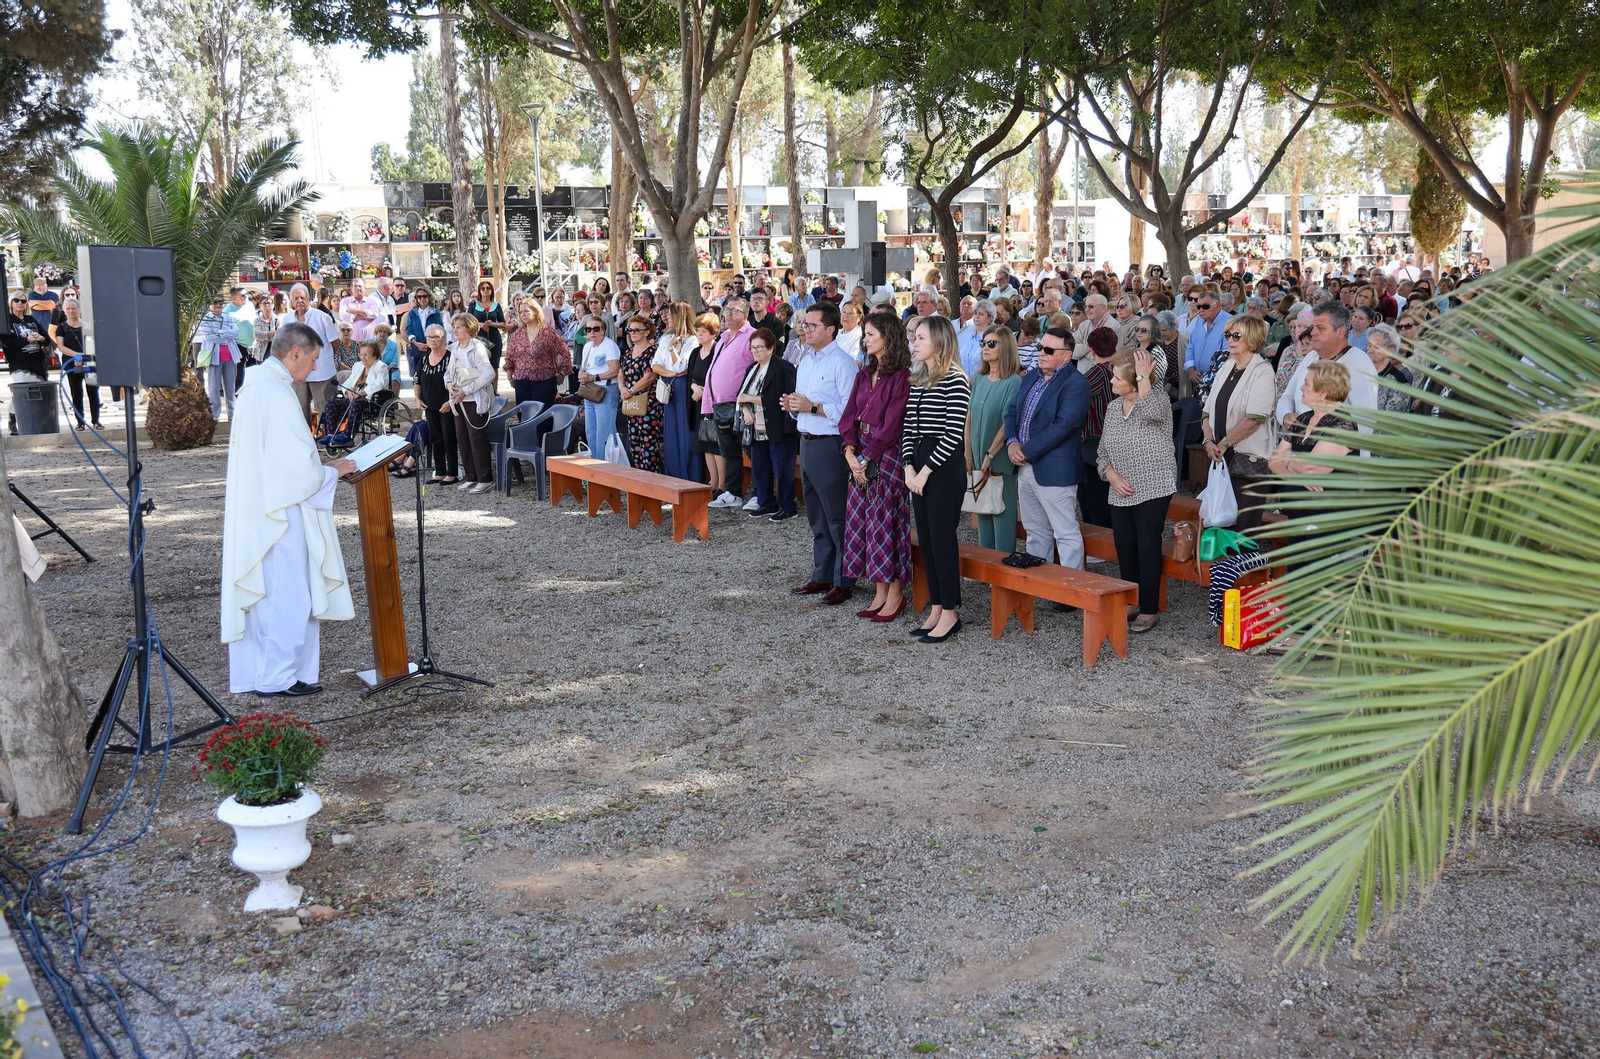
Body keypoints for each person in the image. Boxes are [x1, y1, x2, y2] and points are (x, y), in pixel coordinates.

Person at [220, 320, 356, 697]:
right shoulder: (275, 394)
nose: (314, 368)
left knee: (273, 596)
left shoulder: (259, 385)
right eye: (312, 359)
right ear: (294, 353)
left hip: (265, 503)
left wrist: (319, 468)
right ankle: (276, 676)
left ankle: (269, 672)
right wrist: (330, 471)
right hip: (279, 513)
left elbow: (282, 458)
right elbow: (295, 469)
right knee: (287, 594)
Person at [838, 310, 913, 618]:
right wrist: (850, 451)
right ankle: (879, 591)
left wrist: (867, 457)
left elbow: (893, 424)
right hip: (860, 455)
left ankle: (895, 593)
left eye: (871, 334)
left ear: (888, 338)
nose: (865, 339)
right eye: (865, 334)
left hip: (887, 456)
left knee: (886, 525)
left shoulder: (901, 378)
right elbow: (848, 417)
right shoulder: (861, 375)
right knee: (864, 525)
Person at [901, 316, 970, 643]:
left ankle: (951, 612)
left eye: (921, 338)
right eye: (914, 337)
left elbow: (952, 434)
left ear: (939, 341)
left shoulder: (955, 380)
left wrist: (925, 471)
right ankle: (938, 605)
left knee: (942, 541)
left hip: (942, 469)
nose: (914, 341)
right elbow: (908, 429)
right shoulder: (920, 379)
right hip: (918, 466)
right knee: (926, 541)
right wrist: (908, 468)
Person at [786, 301, 859, 605]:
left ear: (830, 330)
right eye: (805, 324)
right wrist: (793, 406)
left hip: (831, 445)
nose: (806, 329)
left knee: (836, 516)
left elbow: (850, 411)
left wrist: (812, 407)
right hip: (807, 441)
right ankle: (823, 574)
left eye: (812, 325)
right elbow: (804, 405)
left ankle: (844, 579)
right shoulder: (806, 360)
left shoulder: (842, 363)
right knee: (816, 514)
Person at [1098, 349, 1175, 632]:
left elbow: (1153, 412)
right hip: (1120, 488)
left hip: (1153, 485)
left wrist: (1144, 376)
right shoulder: (1113, 408)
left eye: (1117, 377)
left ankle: (1149, 608)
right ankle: (1131, 599)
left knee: (1146, 545)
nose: (1112, 382)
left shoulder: (1158, 401)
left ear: (1135, 379)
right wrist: (1111, 474)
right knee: (1125, 546)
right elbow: (1102, 452)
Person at [1005, 326, 1091, 572]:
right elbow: (1013, 411)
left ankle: (1071, 589)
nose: (1041, 353)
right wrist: (1011, 442)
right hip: (1024, 465)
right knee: (1035, 529)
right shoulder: (1032, 375)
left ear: (1067, 355)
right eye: (1040, 347)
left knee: (1064, 532)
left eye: (1049, 349)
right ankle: (1041, 583)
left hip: (1054, 468)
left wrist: (1025, 450)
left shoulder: (1076, 384)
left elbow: (1063, 426)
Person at [1267, 359, 1357, 557]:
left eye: (1307, 383)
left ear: (1324, 391)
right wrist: (1295, 475)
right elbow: (1273, 461)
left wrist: (1288, 459)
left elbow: (1311, 468)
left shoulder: (1343, 425)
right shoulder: (1304, 419)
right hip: (1296, 512)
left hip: (1325, 518)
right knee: (1295, 576)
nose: (1301, 387)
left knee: (1318, 580)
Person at [1201, 314, 1277, 534]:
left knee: (1243, 526)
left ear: (1252, 338)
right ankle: (1221, 568)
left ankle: (1244, 567)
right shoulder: (1227, 366)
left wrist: (1224, 443)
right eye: (1228, 334)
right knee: (1219, 521)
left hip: (1246, 458)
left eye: (1236, 335)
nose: (1230, 340)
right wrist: (1208, 440)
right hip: (1219, 454)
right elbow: (1207, 409)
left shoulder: (1262, 371)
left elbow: (1254, 418)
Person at [1276, 301, 1377, 432]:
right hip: (1300, 447)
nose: (1312, 333)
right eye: (1313, 327)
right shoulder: (1311, 357)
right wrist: (1286, 416)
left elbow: (1365, 420)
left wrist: (1325, 442)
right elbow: (1287, 396)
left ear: (1340, 332)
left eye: (1320, 328)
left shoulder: (1359, 363)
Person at [965, 325, 1023, 553]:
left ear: (1006, 347)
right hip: (976, 456)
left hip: (999, 458)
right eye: (983, 343)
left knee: (1001, 511)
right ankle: (985, 564)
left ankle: (1002, 566)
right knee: (982, 510)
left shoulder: (1013, 382)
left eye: (992, 343)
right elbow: (968, 418)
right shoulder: (978, 379)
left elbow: (1006, 423)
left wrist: (990, 454)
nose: (985, 348)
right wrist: (968, 454)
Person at [734, 327, 800, 518]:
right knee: (760, 467)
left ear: (771, 348)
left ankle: (787, 507)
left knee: (782, 468)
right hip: (756, 428)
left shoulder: (783, 367)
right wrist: (746, 409)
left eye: (759, 348)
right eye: (752, 348)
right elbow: (741, 396)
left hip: (778, 426)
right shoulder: (752, 368)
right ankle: (766, 502)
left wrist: (751, 399)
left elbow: (783, 399)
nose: (755, 351)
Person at [705, 296, 756, 508]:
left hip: (742, 405)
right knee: (730, 452)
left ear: (745, 315)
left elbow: (756, 370)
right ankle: (733, 492)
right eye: (727, 309)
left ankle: (761, 494)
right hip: (720, 404)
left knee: (753, 451)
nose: (728, 313)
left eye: (734, 310)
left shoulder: (752, 336)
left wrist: (747, 403)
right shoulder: (724, 337)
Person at [447, 313, 497, 493]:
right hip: (458, 400)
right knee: (463, 439)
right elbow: (448, 373)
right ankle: (471, 476)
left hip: (474, 400)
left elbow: (489, 373)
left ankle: (485, 478)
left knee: (477, 439)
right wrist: (450, 384)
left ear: (468, 328)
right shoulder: (454, 348)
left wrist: (466, 390)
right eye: (454, 327)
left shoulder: (477, 348)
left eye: (459, 327)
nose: (455, 330)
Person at [651, 301, 699, 481]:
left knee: (685, 431)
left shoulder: (692, 340)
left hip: (683, 387)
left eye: (670, 314)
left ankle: (690, 476)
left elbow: (682, 365)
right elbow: (655, 364)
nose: (666, 317)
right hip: (668, 383)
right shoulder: (664, 338)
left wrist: (673, 349)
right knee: (671, 432)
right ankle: (673, 474)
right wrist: (671, 373)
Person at [1078, 327, 1119, 530]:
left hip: (1095, 439)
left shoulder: (1097, 372)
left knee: (1093, 493)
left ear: (1091, 349)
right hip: (1116, 439)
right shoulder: (1119, 369)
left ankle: (1099, 536)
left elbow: (1076, 399)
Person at [318, 340, 391, 442]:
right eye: (361, 354)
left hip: (370, 401)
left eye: (366, 355)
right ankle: (330, 435)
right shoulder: (358, 365)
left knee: (356, 404)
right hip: (353, 399)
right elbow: (348, 383)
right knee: (331, 404)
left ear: (374, 355)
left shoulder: (381, 367)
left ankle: (347, 435)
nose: (362, 357)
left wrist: (361, 393)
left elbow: (379, 384)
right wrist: (348, 391)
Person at [287, 284, 339, 427]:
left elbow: (335, 342)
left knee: (325, 409)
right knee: (299, 409)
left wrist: (323, 359)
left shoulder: (322, 317)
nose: (299, 301)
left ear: (309, 299)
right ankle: (306, 443)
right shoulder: (286, 320)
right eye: (296, 298)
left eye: (302, 297)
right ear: (291, 301)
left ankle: (328, 443)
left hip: (322, 372)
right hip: (298, 375)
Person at [618, 315, 664, 472]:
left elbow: (650, 377)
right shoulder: (629, 351)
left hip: (648, 405)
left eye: (637, 329)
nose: (633, 332)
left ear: (647, 331)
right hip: (631, 403)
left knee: (648, 443)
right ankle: (640, 478)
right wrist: (622, 387)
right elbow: (621, 372)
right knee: (635, 442)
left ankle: (652, 479)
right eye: (630, 329)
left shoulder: (653, 351)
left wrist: (630, 391)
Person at [504, 302, 567, 410]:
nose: (523, 314)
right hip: (521, 382)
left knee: (543, 419)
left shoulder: (547, 332)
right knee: (524, 418)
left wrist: (562, 373)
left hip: (544, 382)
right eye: (520, 312)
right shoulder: (517, 335)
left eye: (526, 311)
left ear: (535, 311)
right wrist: (510, 378)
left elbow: (564, 351)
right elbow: (509, 357)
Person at [416, 324, 458, 484]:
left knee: (449, 438)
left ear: (444, 338)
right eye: (429, 337)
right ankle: (440, 471)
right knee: (435, 438)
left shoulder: (451, 358)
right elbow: (417, 380)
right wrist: (417, 398)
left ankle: (452, 472)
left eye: (436, 337)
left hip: (447, 405)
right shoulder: (423, 359)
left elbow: (457, 381)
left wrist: (450, 401)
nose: (432, 340)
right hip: (429, 405)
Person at [577, 314, 622, 458]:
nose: (592, 332)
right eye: (588, 329)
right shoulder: (588, 346)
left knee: (605, 433)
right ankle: (595, 465)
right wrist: (581, 375)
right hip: (590, 392)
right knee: (591, 432)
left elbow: (615, 370)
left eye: (596, 329)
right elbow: (584, 367)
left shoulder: (610, 346)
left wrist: (594, 377)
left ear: (603, 330)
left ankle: (606, 466)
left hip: (606, 391)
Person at [52, 297, 99, 431]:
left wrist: (83, 357)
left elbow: (92, 343)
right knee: (76, 392)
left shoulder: (87, 325)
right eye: (68, 308)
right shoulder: (61, 327)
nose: (71, 311)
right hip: (71, 362)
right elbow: (61, 346)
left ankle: (96, 421)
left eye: (74, 308)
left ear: (79, 309)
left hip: (89, 361)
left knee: (93, 391)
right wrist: (76, 356)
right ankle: (80, 422)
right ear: (64, 311)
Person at [688, 313, 722, 488]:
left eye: (703, 331)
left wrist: (704, 392)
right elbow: (690, 377)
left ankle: (722, 485)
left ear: (714, 333)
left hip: (713, 402)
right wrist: (694, 388)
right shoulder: (695, 352)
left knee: (716, 444)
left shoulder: (718, 350)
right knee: (704, 443)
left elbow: (720, 376)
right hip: (697, 402)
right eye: (698, 331)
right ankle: (713, 482)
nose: (699, 334)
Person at [194, 296, 242, 420]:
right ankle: (215, 414)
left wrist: (219, 333)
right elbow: (209, 337)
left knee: (230, 387)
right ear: (209, 305)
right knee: (214, 387)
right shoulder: (205, 319)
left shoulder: (228, 317)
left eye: (220, 303)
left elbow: (236, 332)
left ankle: (232, 413)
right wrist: (226, 336)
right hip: (214, 357)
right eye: (215, 303)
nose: (218, 305)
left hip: (230, 356)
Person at [1184, 289, 1231, 394]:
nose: (1201, 310)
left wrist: (1207, 375)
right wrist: (1191, 370)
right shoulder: (1199, 321)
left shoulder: (1230, 323)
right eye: (1198, 306)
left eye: (1205, 306)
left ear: (1218, 305)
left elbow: (1227, 355)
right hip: (1196, 381)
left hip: (1218, 383)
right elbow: (1191, 347)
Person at [1364, 323, 1413, 415]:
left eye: (1377, 347)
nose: (1370, 350)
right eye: (1369, 345)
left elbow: (1391, 422)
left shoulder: (1399, 382)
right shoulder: (1361, 373)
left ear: (1391, 350)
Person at [468, 280, 508, 379]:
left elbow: (503, 323)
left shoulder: (496, 305)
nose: (485, 290)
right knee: (479, 365)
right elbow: (467, 320)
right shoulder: (473, 304)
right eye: (483, 288)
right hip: (479, 338)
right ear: (479, 291)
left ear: (491, 291)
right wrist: (480, 325)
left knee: (494, 366)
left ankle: (494, 390)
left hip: (494, 338)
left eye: (488, 288)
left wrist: (492, 324)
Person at [404, 286, 442, 381]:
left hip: (432, 348)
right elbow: (409, 330)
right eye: (419, 297)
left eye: (424, 296)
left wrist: (430, 343)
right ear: (416, 299)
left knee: (432, 375)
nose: (422, 299)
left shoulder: (435, 312)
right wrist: (416, 343)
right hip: (417, 347)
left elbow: (440, 328)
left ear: (429, 297)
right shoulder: (412, 313)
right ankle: (418, 396)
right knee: (418, 376)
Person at [225, 287, 257, 389]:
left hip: (254, 345)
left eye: (246, 294)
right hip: (239, 345)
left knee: (252, 372)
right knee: (240, 373)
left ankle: (251, 393)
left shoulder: (249, 305)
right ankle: (237, 395)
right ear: (234, 299)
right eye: (243, 295)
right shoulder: (227, 312)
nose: (246, 297)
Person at [338, 278, 384, 343]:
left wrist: (355, 311)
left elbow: (374, 314)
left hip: (370, 342)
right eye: (355, 286)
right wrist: (365, 316)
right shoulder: (345, 301)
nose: (358, 288)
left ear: (365, 288)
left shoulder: (372, 301)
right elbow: (343, 316)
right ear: (351, 289)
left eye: (360, 286)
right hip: (351, 342)